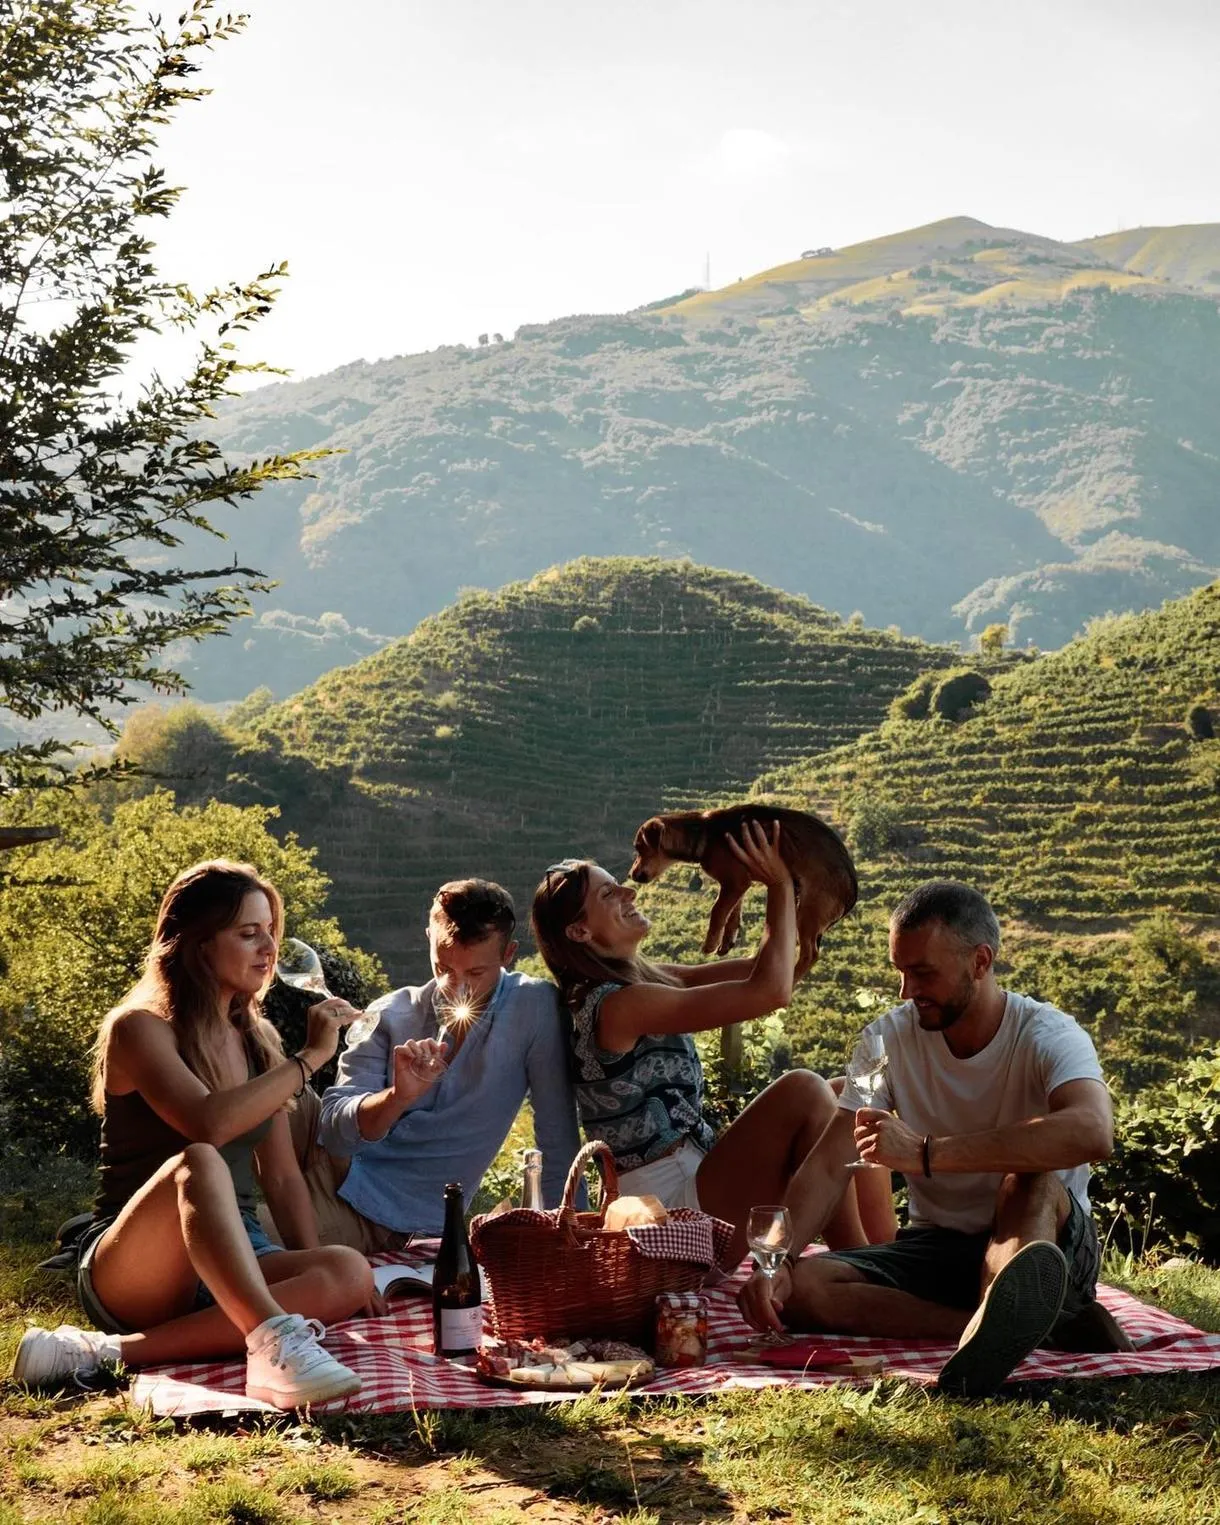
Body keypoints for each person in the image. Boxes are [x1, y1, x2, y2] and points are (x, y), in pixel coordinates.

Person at [737, 879, 1127, 1397]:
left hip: (1041, 1239)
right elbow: (832, 1160)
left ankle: (1016, 1308)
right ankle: (1024, 1327)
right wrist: (780, 1261)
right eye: (900, 972)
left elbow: (1093, 1131)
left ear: (980, 962)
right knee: (801, 1290)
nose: (907, 991)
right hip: (938, 1248)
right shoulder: (883, 1040)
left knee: (1028, 1182)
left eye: (922, 973)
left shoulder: (1049, 1035)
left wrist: (927, 1154)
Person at [12, 861, 374, 1408]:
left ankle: (103, 1352)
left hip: (238, 1255)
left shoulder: (259, 1041)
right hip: (137, 1262)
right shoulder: (139, 1028)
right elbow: (205, 1123)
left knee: (348, 1267)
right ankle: (274, 1340)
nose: (268, 948)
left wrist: (317, 1271)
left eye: (271, 931)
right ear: (198, 945)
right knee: (199, 1161)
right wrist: (311, 1058)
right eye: (248, 933)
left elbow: (279, 1175)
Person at [530, 823, 895, 1264]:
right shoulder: (616, 1006)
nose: (628, 893)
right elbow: (770, 992)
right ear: (580, 933)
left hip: (693, 1178)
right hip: (663, 1211)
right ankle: (859, 1263)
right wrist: (778, 883)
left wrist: (794, 896)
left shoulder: (644, 980)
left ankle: (887, 1253)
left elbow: (767, 971)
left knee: (850, 1096)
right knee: (803, 1089)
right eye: (608, 895)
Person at [294, 879, 582, 1246]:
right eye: (442, 967)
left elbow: (557, 1143)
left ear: (508, 954)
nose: (455, 987)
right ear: (429, 935)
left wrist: (569, 1239)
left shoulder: (534, 1008)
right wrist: (397, 1097)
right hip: (334, 1184)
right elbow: (334, 1133)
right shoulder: (388, 1013)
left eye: (476, 973)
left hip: (415, 1226)